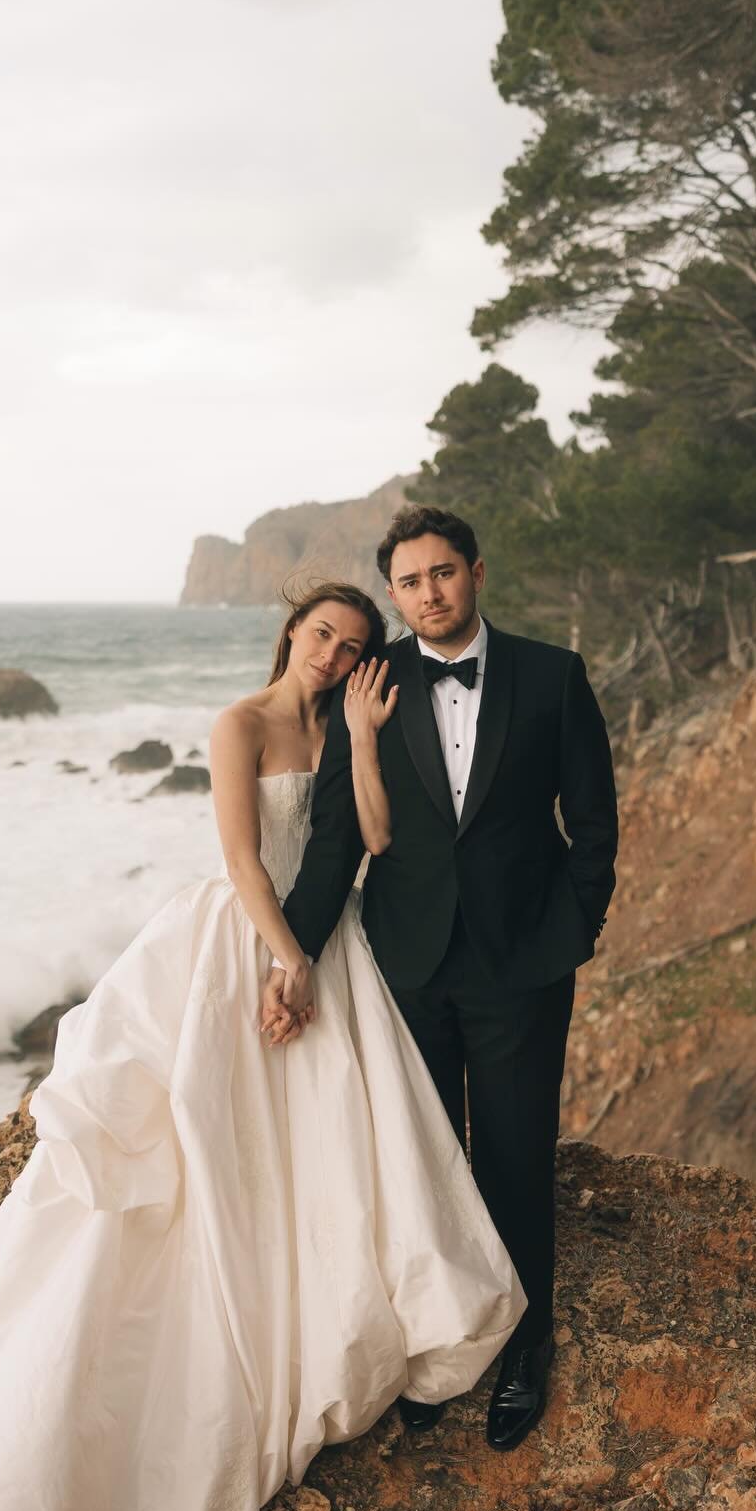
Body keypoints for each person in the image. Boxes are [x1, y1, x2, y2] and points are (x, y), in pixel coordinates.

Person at [0, 580, 523, 1511]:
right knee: (209, 1158)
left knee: (345, 1145)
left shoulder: (353, 718)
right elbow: (242, 857)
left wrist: (359, 738)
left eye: (351, 647)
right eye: (320, 637)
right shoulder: (237, 722)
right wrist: (285, 960)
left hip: (327, 951)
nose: (333, 656)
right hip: (246, 940)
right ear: (291, 632)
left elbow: (374, 842)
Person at [266, 506, 618, 1451]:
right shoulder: (369, 686)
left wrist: (576, 927)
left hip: (523, 960)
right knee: (428, 1162)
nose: (430, 593)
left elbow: (593, 817)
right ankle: (446, 1347)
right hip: (407, 962)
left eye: (444, 574)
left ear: (476, 572)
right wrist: (290, 953)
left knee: (512, 1151)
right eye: (411, 582)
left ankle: (526, 1341)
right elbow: (339, 840)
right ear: (395, 593)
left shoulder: (551, 675)